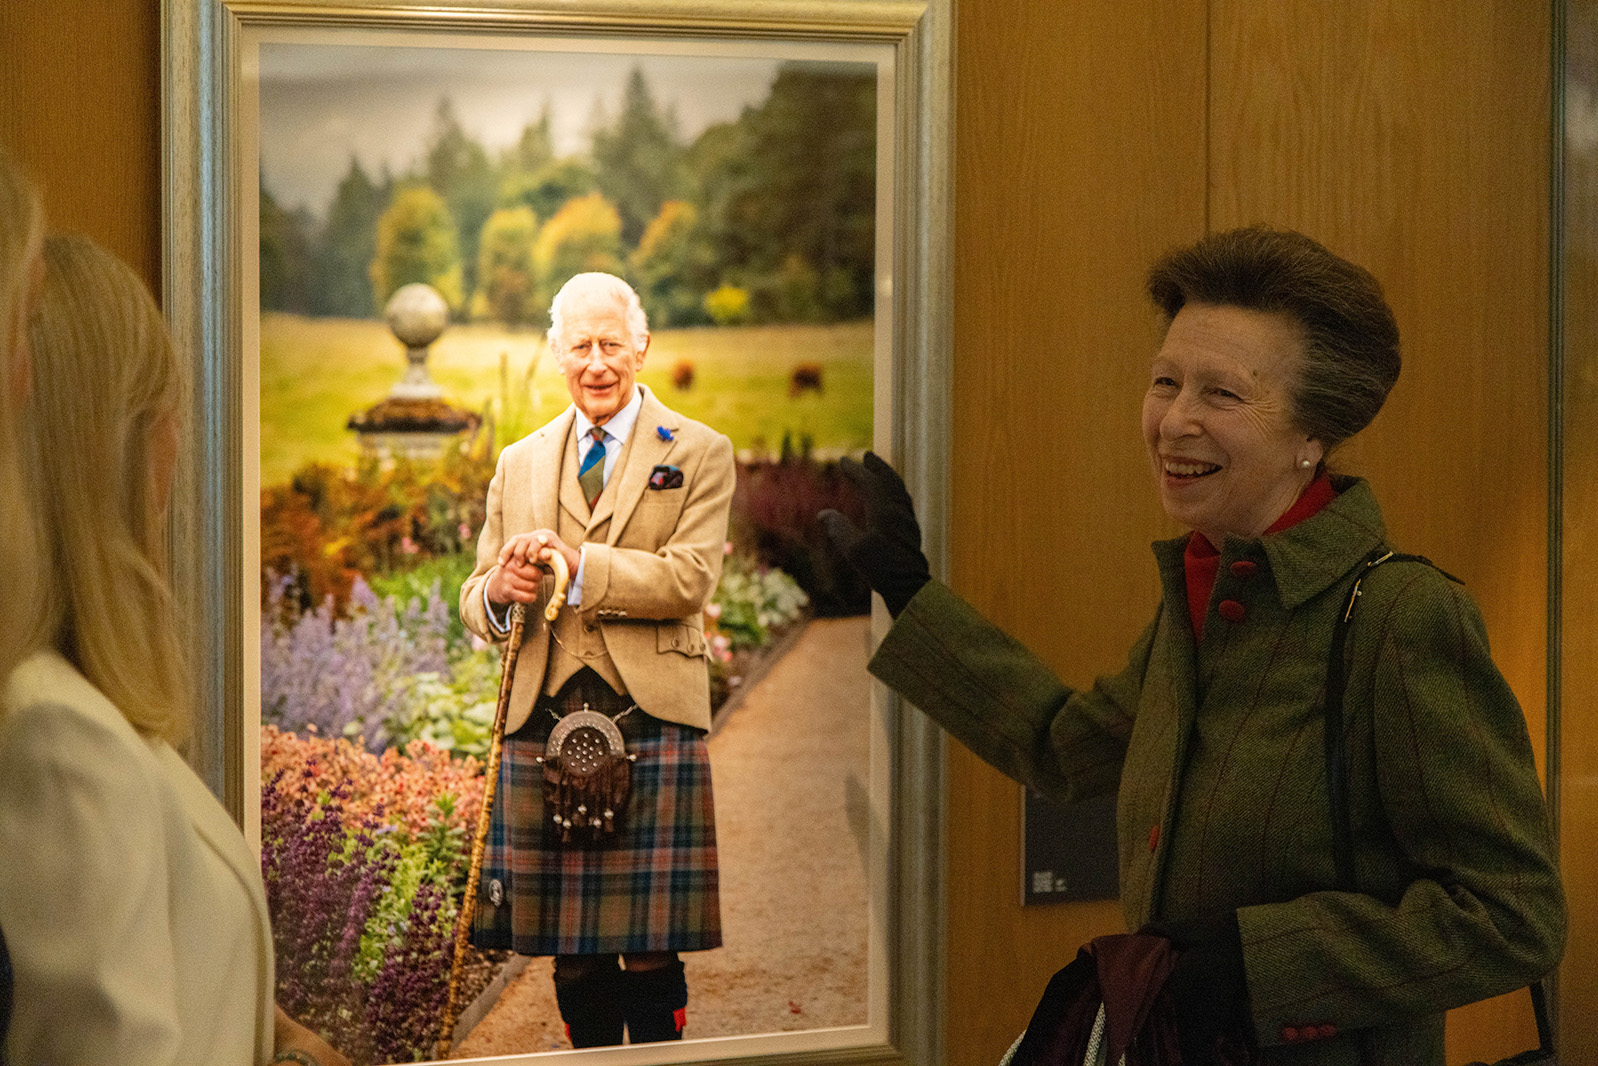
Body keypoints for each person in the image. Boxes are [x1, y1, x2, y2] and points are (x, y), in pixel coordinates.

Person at [822, 226, 1566, 1064]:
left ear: (1312, 434)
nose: (1175, 421)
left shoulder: (1403, 617)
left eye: (1222, 394)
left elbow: (1514, 917)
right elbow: (1066, 749)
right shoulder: (1207, 593)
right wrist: (913, 597)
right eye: (1165, 381)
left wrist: (1260, 966)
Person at [0, 230, 349, 1066]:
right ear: (117, 448)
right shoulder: (57, 739)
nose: (179, 445)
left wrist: (273, 1031)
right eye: (166, 412)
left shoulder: (71, 708)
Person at [460, 271, 734, 1047]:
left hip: (652, 717)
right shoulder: (518, 462)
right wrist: (500, 591)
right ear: (557, 353)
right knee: (573, 959)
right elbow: (477, 595)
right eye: (580, 346)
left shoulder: (701, 453)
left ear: (641, 348)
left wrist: (577, 567)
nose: (597, 363)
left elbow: (690, 579)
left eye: (612, 344)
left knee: (649, 949)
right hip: (541, 721)